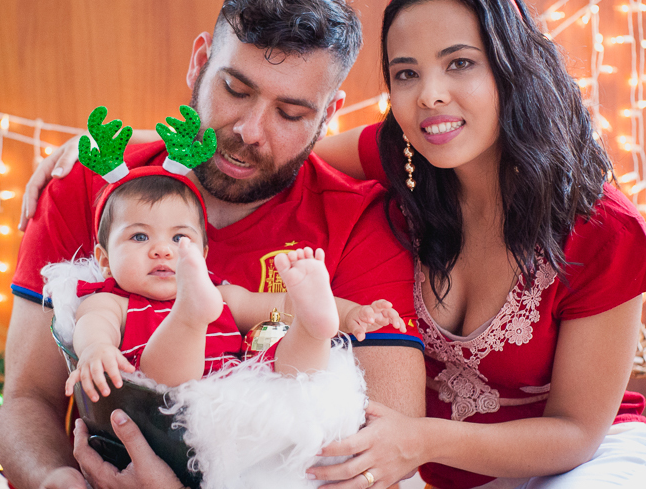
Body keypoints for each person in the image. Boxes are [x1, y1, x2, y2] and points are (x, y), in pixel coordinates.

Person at [0, 0, 426, 489]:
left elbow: (381, 448)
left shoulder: (359, 222)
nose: (250, 132)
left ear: (329, 113)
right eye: (236, 88)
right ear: (200, 62)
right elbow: (28, 397)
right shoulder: (95, 186)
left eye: (292, 112)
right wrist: (51, 486)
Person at [298, 0, 646, 489]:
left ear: (514, 70)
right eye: (405, 73)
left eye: (460, 63)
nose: (431, 95)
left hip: (596, 464)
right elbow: (287, 156)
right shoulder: (405, 160)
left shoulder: (602, 227)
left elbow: (576, 431)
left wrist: (416, 439)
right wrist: (160, 156)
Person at [64, 170, 405, 397]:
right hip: (166, 408)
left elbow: (281, 305)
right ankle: (188, 318)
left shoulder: (223, 295)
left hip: (238, 406)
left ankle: (314, 329)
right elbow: (93, 327)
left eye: (179, 237)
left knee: (287, 363)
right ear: (104, 259)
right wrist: (96, 350)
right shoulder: (113, 301)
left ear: (203, 251)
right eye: (139, 236)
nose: (162, 250)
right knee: (160, 377)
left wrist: (351, 314)